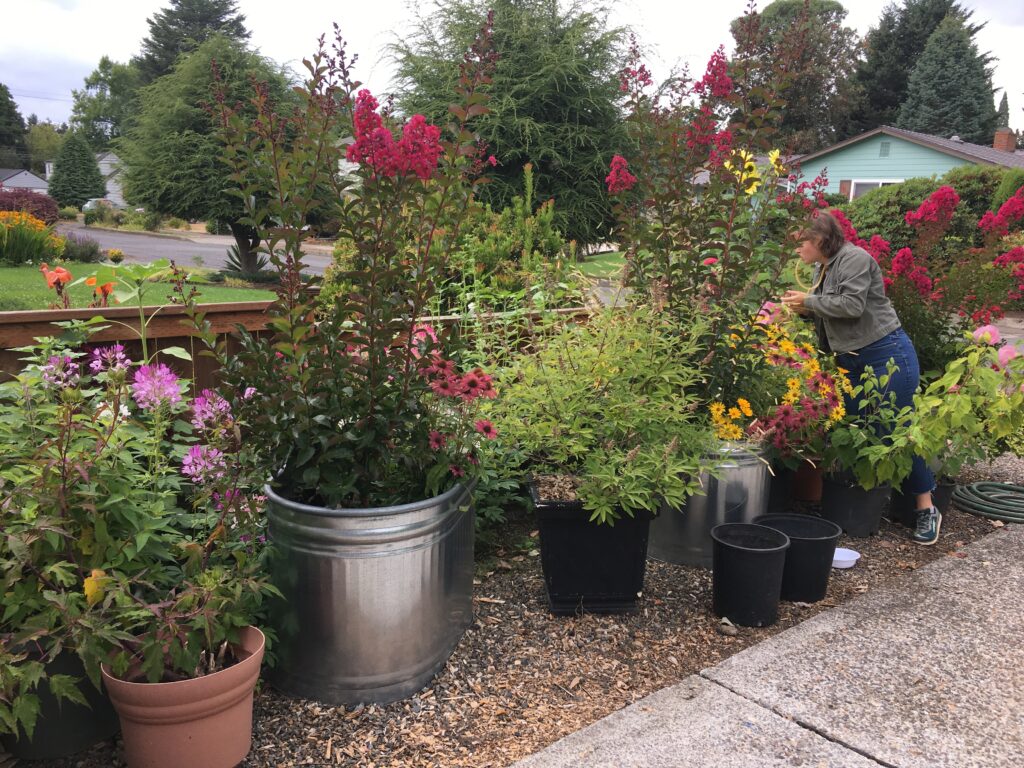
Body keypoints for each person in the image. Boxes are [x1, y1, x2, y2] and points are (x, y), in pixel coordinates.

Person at [780, 211, 940, 545]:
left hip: (886, 355)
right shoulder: (821, 266)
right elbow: (830, 308)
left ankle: (926, 508)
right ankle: (862, 500)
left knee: (894, 429)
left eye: (800, 243)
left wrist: (810, 301)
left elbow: (851, 306)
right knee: (853, 428)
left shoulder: (855, 259)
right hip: (851, 360)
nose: (797, 250)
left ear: (820, 239)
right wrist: (806, 309)